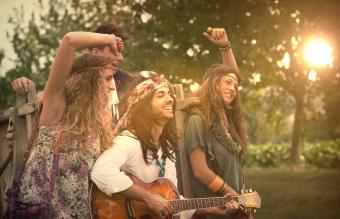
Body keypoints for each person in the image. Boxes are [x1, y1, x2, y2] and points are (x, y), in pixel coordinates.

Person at [91, 72, 239, 219]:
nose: (170, 100)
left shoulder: (165, 148)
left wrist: (210, 210)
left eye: (169, 94)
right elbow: (101, 172)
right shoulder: (128, 141)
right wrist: (148, 197)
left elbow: (171, 201)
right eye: (160, 95)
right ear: (143, 105)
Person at [16, 31, 119, 218]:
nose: (113, 86)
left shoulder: (95, 126)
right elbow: (69, 41)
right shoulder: (56, 108)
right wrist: (109, 39)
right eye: (108, 78)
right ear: (88, 80)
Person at [185, 28, 251, 219]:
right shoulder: (198, 120)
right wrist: (234, 195)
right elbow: (200, 171)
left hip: (236, 208)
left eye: (236, 87)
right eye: (227, 83)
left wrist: (225, 46)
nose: (233, 89)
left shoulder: (227, 122)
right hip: (215, 212)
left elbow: (232, 74)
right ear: (213, 84)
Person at [11, 23, 131, 120]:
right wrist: (26, 90)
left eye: (122, 52)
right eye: (115, 50)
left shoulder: (124, 81)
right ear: (95, 52)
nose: (121, 58)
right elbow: (47, 98)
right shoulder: (71, 80)